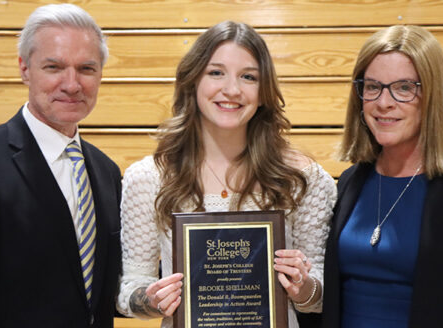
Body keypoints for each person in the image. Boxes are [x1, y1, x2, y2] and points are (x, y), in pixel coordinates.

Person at [116, 21, 337, 328]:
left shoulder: (303, 179)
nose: (232, 89)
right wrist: (152, 299)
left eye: (249, 77)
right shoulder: (148, 178)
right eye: (216, 72)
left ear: (263, 92)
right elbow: (129, 294)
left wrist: (303, 287)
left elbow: (324, 296)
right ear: (193, 81)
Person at [0, 4, 122, 327]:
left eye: (86, 68)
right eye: (54, 67)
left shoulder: (106, 172)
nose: (72, 84)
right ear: (24, 69)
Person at [322, 25, 443, 328]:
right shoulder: (349, 183)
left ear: (433, 95)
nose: (384, 102)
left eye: (404, 88)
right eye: (372, 86)